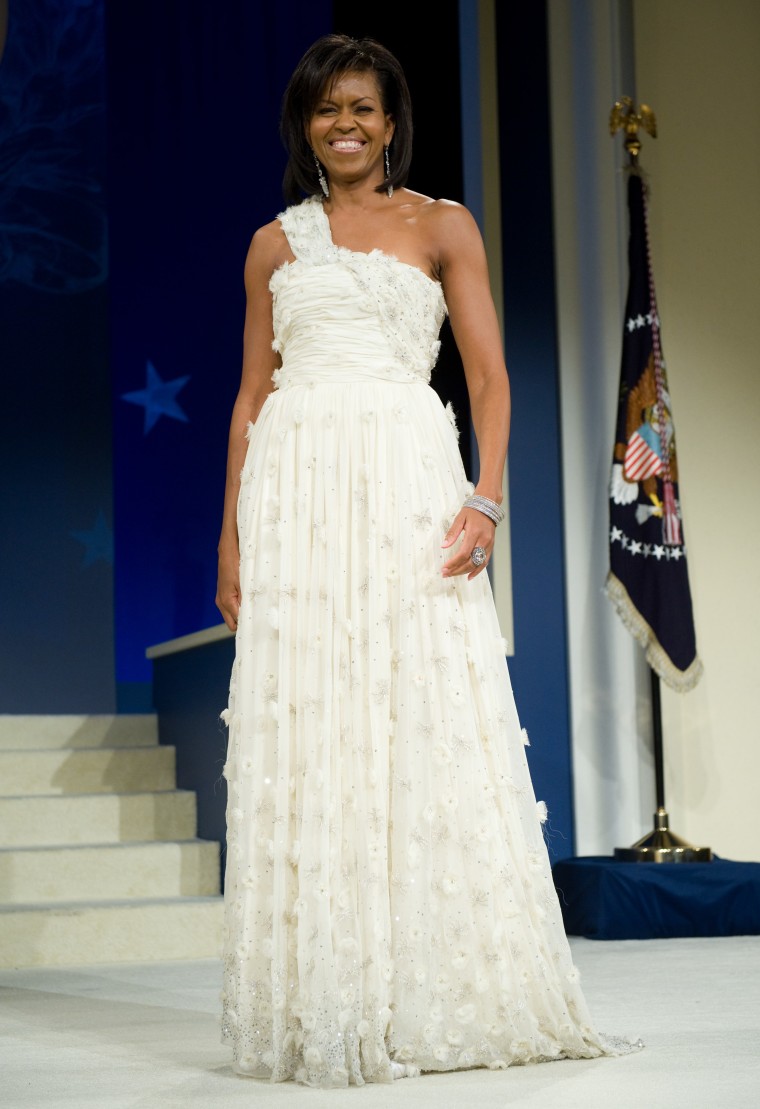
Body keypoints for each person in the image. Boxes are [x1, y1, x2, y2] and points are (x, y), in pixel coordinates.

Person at [215, 32, 640, 1087]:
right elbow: (248, 400)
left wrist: (484, 496)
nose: (344, 125)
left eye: (362, 107)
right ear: (303, 124)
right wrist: (230, 533)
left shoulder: (442, 223)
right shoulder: (274, 244)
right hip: (300, 496)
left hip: (409, 481)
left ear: (391, 121)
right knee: (315, 727)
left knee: (419, 715)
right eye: (325, 110)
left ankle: (436, 983)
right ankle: (328, 993)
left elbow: (489, 378)